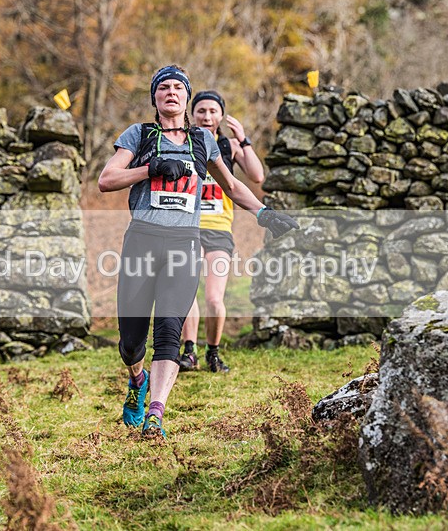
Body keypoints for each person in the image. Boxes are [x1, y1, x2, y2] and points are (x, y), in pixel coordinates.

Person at [98, 65, 298, 438]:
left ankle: (156, 413)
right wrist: (149, 168)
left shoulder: (202, 141)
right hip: (142, 239)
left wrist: (265, 214)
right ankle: (137, 380)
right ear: (155, 98)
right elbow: (106, 180)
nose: (171, 92)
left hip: (184, 243)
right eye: (164, 88)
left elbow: (233, 185)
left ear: (187, 98)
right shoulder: (138, 135)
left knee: (170, 330)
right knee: (130, 342)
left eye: (178, 88)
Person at [179, 91, 264, 374]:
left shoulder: (227, 146)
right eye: (201, 110)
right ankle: (188, 352)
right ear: (193, 114)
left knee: (214, 298)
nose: (206, 116)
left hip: (218, 230)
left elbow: (257, 176)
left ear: (220, 116)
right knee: (186, 293)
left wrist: (244, 140)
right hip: (186, 228)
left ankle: (213, 354)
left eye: (213, 111)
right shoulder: (183, 142)